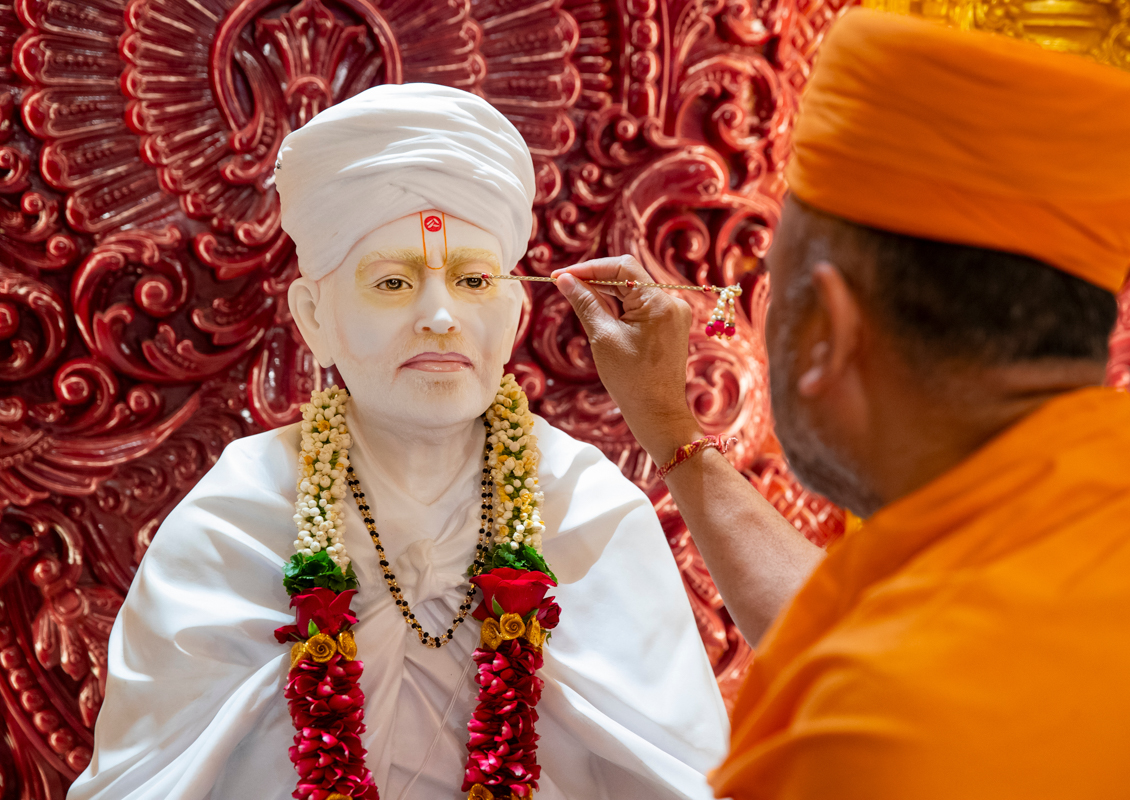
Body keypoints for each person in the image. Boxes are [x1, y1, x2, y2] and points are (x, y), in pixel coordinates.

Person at [554, 8, 1130, 799]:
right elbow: (852, 620)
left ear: (828, 324)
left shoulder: (860, 746)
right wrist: (673, 432)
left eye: (771, 285)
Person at [67, 84, 728, 800]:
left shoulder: (589, 510)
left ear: (513, 313)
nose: (441, 316)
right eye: (391, 282)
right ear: (315, 317)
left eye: (474, 279)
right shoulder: (240, 518)